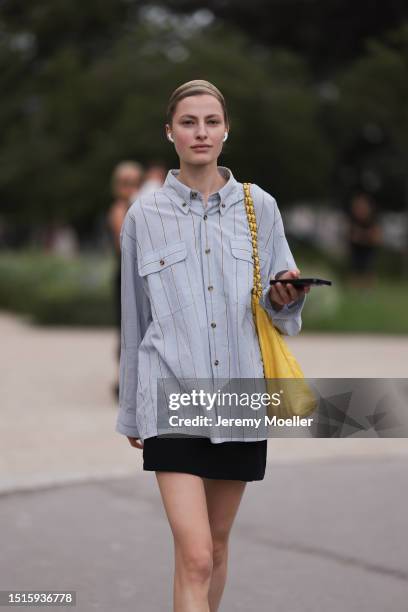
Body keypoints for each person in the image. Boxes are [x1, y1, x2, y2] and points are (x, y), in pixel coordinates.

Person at [115, 79, 311, 611]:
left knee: (217, 548)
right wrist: (133, 411)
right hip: (171, 395)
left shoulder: (259, 207)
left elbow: (282, 312)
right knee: (196, 553)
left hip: (238, 394)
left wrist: (286, 296)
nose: (200, 132)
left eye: (210, 122)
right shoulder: (144, 217)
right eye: (188, 122)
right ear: (170, 133)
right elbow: (134, 322)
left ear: (226, 131)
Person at [107, 160, 144, 399]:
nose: (129, 187)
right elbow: (125, 246)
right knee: (127, 328)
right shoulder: (121, 209)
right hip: (126, 276)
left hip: (140, 276)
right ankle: (125, 380)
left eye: (134, 182)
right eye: (125, 182)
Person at [347, 191, 382, 288]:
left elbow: (376, 237)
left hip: (369, 249)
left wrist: (361, 235)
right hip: (356, 249)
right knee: (355, 270)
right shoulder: (353, 219)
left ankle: (368, 291)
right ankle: (354, 289)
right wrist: (366, 235)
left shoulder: (372, 219)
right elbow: (352, 235)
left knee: (369, 270)